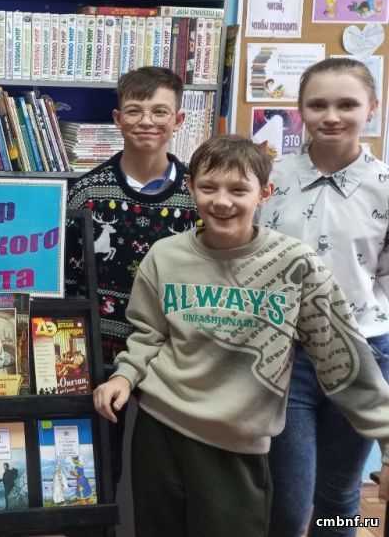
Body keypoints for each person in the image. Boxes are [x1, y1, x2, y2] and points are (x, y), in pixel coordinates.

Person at [94, 134, 389, 537]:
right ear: (190, 188)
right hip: (159, 431)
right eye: (209, 187)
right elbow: (148, 333)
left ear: (265, 193)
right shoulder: (164, 256)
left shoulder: (296, 264)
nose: (222, 201)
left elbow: (344, 359)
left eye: (238, 190)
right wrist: (124, 376)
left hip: (237, 444)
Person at [259, 57, 389, 537]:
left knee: (339, 496)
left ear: (371, 108)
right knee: (288, 502)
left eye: (347, 104)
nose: (332, 116)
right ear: (300, 110)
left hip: (363, 355)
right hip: (283, 356)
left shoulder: (385, 187)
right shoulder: (268, 177)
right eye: (318, 105)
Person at [65, 66, 199, 485]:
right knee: (100, 469)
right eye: (134, 110)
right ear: (117, 118)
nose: (146, 121)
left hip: (173, 355)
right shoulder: (86, 192)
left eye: (160, 112)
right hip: (99, 354)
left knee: (166, 473)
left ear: (178, 120)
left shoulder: (198, 195)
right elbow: (69, 280)